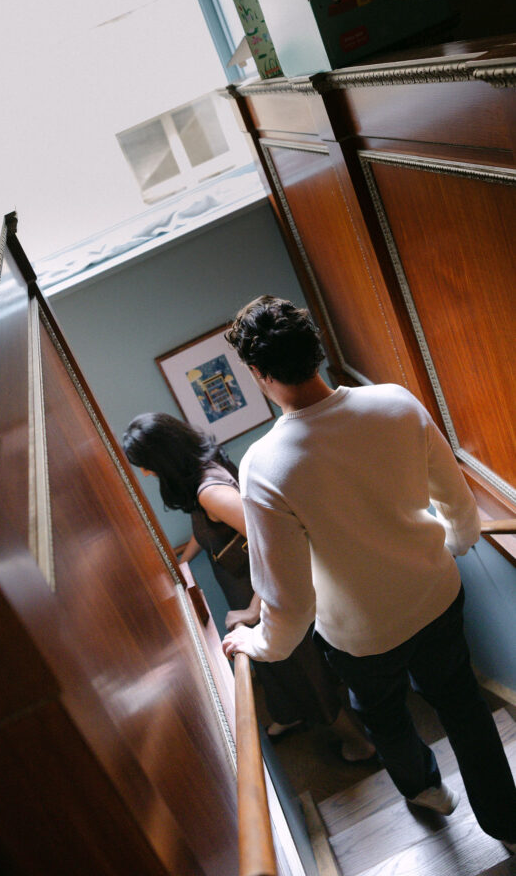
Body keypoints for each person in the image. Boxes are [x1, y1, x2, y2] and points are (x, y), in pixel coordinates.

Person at [221, 294, 516, 852]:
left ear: (259, 374)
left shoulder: (264, 467)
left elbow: (286, 600)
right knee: (462, 704)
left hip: (362, 635)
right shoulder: (394, 403)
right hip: (435, 594)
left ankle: (426, 790)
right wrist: (455, 542)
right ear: (316, 350)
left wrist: (257, 645)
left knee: (381, 714)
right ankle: (509, 824)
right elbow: (455, 501)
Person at [122, 411, 375, 759]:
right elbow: (220, 529)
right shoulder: (205, 466)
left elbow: (271, 542)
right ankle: (291, 716)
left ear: (162, 458)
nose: (146, 473)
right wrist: (183, 559)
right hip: (250, 587)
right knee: (283, 669)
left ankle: (360, 745)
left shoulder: (209, 491)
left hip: (265, 593)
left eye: (146, 465)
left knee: (305, 673)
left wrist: (254, 608)